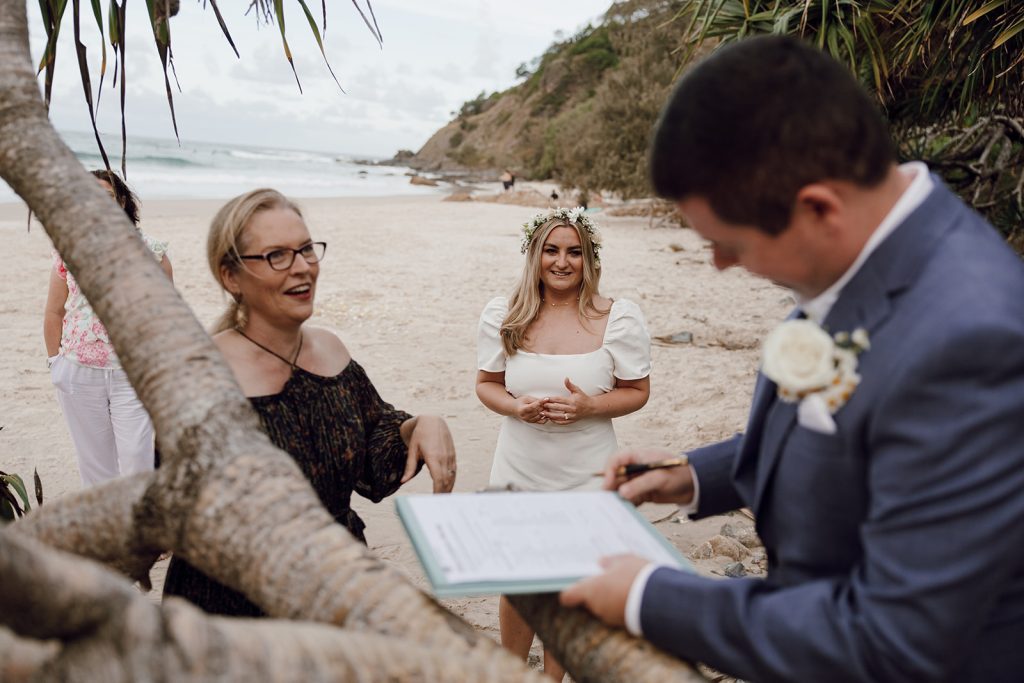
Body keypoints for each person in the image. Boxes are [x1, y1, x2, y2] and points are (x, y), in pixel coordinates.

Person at [560, 36, 1024, 682]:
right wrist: (694, 475)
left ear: (817, 208)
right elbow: (846, 435)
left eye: (728, 242)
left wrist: (650, 596)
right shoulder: (857, 258)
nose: (719, 263)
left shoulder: (972, 338)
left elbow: (892, 640)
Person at [163, 188, 457, 616]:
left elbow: (373, 449)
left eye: (306, 250)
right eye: (276, 256)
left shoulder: (331, 352)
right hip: (234, 614)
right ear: (231, 276)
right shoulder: (202, 374)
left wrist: (420, 425)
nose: (301, 267)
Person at [477, 206, 651, 680]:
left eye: (574, 252)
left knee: (575, 580)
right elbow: (486, 383)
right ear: (535, 255)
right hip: (520, 462)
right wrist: (516, 407)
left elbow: (638, 391)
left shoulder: (618, 316)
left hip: (588, 467)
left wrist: (589, 407)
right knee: (518, 577)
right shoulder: (505, 314)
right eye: (551, 250)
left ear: (589, 258)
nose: (562, 261)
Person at [43, 169, 173, 487]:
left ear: (123, 202)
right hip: (78, 371)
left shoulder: (153, 252)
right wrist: (55, 362)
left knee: (137, 462)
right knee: (94, 466)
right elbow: (54, 311)